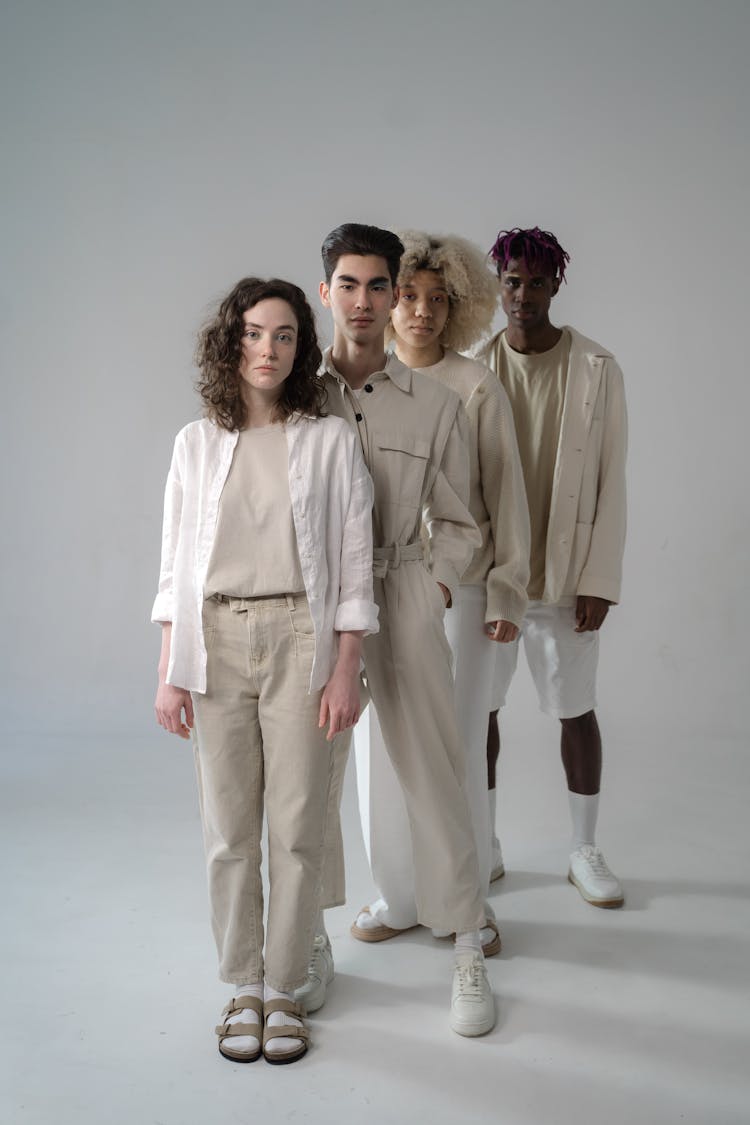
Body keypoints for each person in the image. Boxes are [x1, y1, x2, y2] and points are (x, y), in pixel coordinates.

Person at [152, 277, 379, 1064]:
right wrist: (169, 668)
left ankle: (285, 987)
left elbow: (354, 565)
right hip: (213, 638)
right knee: (229, 830)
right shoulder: (195, 442)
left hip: (299, 637)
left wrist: (347, 663)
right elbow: (174, 566)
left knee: (297, 823)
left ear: (300, 347)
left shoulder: (327, 438)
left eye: (284, 335)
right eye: (255, 333)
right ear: (231, 340)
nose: (269, 349)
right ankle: (242, 985)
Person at [297, 222, 496, 1038]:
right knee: (307, 776)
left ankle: (466, 943)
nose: (368, 301)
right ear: (326, 292)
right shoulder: (297, 398)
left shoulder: (439, 404)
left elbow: (461, 519)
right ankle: (307, 940)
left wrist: (437, 585)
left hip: (404, 587)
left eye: (380, 286)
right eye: (350, 284)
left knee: (438, 771)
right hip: (315, 600)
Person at [347, 230, 530, 955]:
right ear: (388, 302)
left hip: (463, 587)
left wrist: (503, 591)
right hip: (378, 590)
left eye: (437, 300)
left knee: (450, 747)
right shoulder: (365, 388)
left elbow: (503, 500)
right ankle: (399, 894)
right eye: (410, 296)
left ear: (455, 308)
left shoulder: (475, 386)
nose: (421, 312)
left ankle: (466, 903)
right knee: (379, 749)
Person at [475, 227, 627, 908]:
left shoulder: (596, 367)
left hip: (566, 579)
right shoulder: (474, 366)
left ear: (555, 284)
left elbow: (610, 479)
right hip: (493, 579)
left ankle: (584, 847)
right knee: (479, 710)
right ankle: (485, 843)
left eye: (537, 282)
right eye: (512, 281)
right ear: (497, 285)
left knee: (577, 711)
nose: (523, 295)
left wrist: (600, 579)